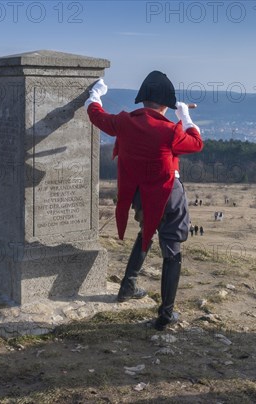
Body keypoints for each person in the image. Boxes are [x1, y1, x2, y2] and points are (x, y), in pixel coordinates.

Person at [85, 71, 203, 331]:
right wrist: (184, 115)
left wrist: (96, 94)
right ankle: (166, 314)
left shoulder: (125, 122)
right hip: (168, 193)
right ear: (166, 105)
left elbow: (96, 115)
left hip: (139, 194)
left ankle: (128, 285)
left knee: (147, 232)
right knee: (172, 251)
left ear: (143, 100)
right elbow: (196, 143)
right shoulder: (171, 130)